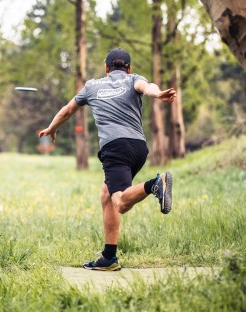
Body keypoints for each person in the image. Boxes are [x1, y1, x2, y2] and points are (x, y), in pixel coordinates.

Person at [39, 48, 176, 271]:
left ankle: (155, 184)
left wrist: (51, 128)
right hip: (139, 148)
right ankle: (108, 257)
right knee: (106, 195)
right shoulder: (134, 80)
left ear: (106, 68)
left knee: (120, 202)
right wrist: (158, 94)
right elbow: (147, 87)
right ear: (128, 68)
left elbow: (66, 111)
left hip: (115, 148)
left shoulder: (92, 86)